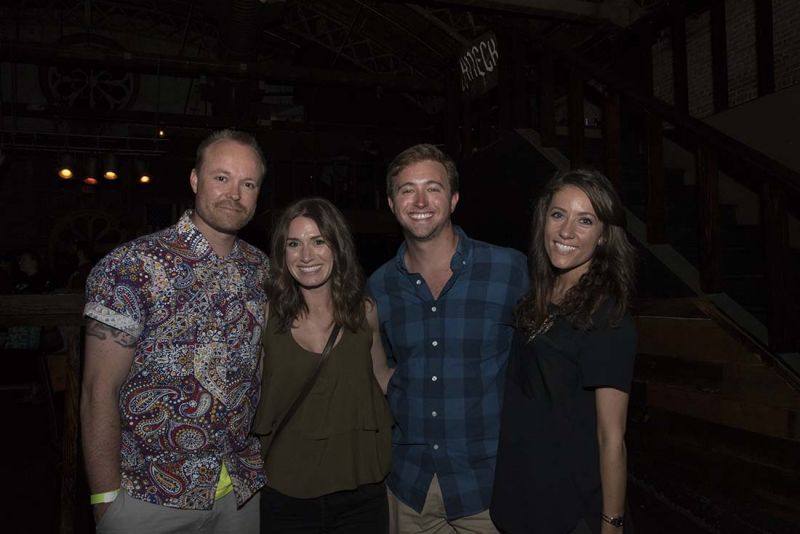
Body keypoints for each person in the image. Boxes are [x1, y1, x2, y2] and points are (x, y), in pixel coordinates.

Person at [81, 129, 269, 534]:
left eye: (248, 183)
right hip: (147, 496)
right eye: (222, 177)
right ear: (195, 180)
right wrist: (104, 501)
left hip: (240, 494)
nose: (234, 193)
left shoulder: (261, 270)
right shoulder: (130, 267)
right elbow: (98, 390)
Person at [367, 144, 529, 533]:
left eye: (433, 188)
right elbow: (381, 369)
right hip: (410, 488)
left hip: (488, 489)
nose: (420, 200)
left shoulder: (509, 270)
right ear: (392, 203)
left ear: (453, 199)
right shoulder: (380, 285)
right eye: (407, 189)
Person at [490, 169, 637, 534]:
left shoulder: (608, 317)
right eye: (558, 215)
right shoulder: (536, 299)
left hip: (570, 510)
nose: (566, 231)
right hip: (522, 496)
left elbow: (611, 436)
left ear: (603, 237)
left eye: (585, 221)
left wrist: (612, 524)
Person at [254, 197, 393, 533]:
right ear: (282, 253)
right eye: (294, 244)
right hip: (286, 494)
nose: (306, 256)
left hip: (360, 493)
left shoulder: (365, 312)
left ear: (338, 246)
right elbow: (250, 392)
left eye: (319, 241)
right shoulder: (266, 317)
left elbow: (380, 379)